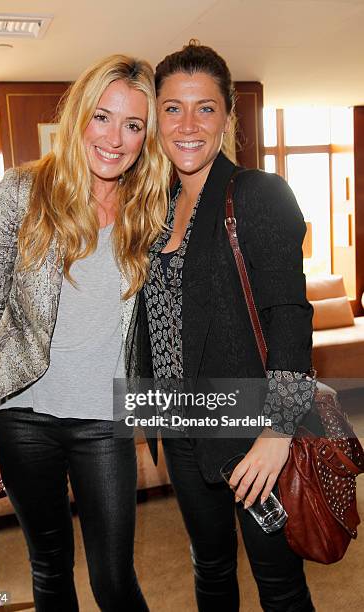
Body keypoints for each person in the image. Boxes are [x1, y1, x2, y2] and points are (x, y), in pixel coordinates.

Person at [0, 54, 169, 612]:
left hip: (105, 418)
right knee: (50, 569)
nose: (115, 139)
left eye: (133, 125)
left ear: (146, 136)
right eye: (103, 117)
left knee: (114, 580)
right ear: (79, 115)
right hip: (22, 414)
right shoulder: (20, 193)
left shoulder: (151, 209)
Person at [126, 42, 316, 611]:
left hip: (251, 429)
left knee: (278, 584)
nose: (188, 125)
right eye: (172, 108)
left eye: (205, 108)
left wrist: (278, 433)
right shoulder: (154, 208)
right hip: (180, 428)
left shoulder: (258, 193)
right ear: (156, 115)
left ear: (227, 117)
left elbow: (289, 315)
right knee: (209, 570)